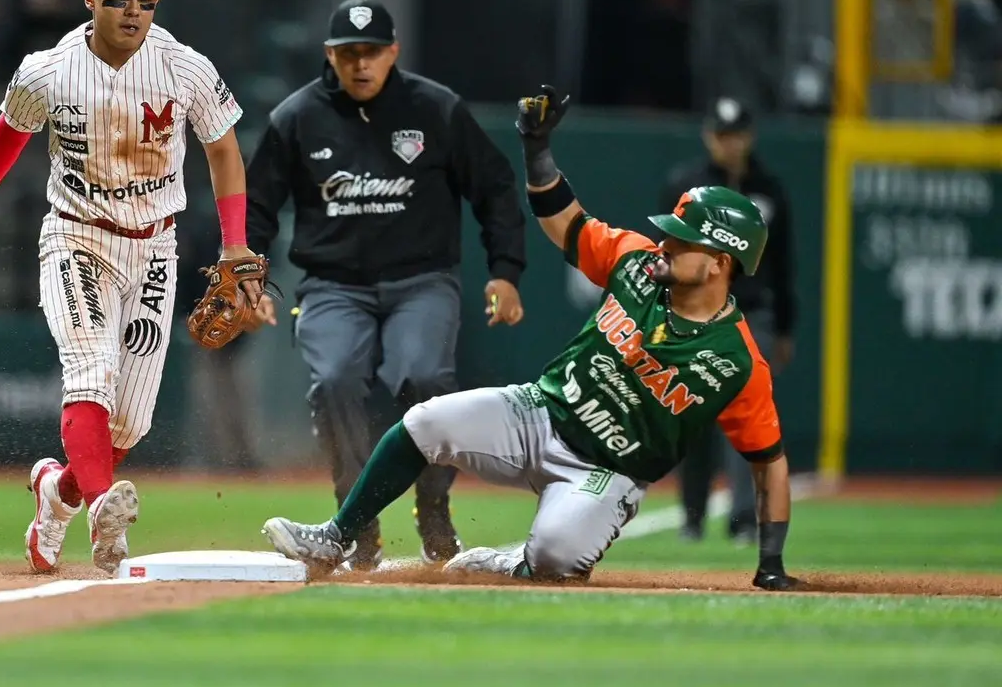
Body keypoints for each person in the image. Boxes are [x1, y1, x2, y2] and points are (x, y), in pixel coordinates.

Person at [261, 84, 803, 591]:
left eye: (682, 241)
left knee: (556, 558)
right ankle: (335, 538)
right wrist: (536, 147)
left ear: (718, 264)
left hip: (605, 472)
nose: (665, 242)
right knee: (423, 422)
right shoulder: (635, 260)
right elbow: (562, 219)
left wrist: (771, 565)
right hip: (539, 412)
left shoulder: (736, 361)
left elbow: (769, 462)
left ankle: (509, 562)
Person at [0, 0, 257, 575]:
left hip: (156, 246)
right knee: (89, 372)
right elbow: (8, 131)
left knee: (131, 423)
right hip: (77, 235)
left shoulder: (184, 67)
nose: (134, 11)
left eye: (146, 0)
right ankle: (99, 509)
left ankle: (56, 497)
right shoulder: (48, 70)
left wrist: (234, 243)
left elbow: (223, 151)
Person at [244, 0, 528, 568]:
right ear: (331, 55)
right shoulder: (297, 117)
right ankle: (355, 522)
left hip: (420, 281)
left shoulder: (435, 109)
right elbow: (256, 206)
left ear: (392, 51)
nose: (361, 65)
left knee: (423, 378)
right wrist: (249, 274)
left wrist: (505, 272)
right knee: (334, 381)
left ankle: (433, 504)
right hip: (332, 286)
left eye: (372, 52)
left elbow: (495, 188)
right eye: (349, 54)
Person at [661, 96, 796, 544]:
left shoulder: (771, 188)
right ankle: (692, 516)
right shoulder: (687, 183)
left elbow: (784, 264)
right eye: (721, 135)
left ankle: (742, 520)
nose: (729, 143)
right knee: (692, 417)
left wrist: (784, 328)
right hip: (694, 315)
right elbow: (663, 252)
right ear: (708, 136)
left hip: (749, 314)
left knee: (745, 418)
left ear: (749, 136)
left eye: (736, 134)